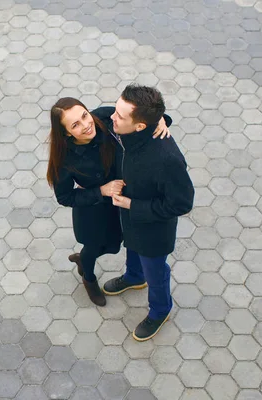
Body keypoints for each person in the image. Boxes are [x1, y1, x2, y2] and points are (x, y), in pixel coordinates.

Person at [46, 98, 169, 307]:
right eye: (75, 125)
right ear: (66, 133)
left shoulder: (103, 116)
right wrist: (101, 191)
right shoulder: (65, 159)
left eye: (84, 115)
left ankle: (82, 259)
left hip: (122, 203)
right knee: (94, 248)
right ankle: (88, 276)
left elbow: (134, 119)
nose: (86, 125)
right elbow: (65, 197)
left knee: (114, 245)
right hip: (94, 212)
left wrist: (159, 121)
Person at [96, 85, 195, 341]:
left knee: (156, 270)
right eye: (116, 109)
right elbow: (98, 115)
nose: (112, 118)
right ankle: (133, 277)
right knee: (132, 248)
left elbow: (181, 203)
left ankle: (160, 310)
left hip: (153, 230)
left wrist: (133, 206)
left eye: (119, 115)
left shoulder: (167, 159)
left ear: (140, 126)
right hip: (130, 218)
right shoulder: (126, 127)